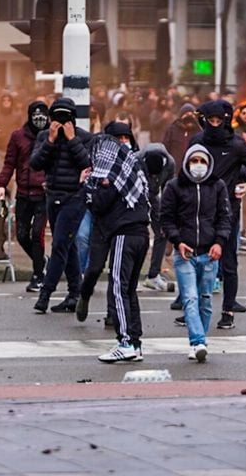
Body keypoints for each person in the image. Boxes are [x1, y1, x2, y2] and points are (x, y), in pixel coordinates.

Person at [74, 122, 150, 363]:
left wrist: (86, 186)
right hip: (140, 234)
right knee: (129, 290)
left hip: (123, 234)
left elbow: (97, 204)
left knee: (118, 288)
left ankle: (126, 341)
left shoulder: (112, 177)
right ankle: (135, 343)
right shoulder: (130, 171)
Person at [188, 99, 246, 330]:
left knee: (229, 261)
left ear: (225, 120)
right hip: (199, 210)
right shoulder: (197, 142)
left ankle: (228, 310)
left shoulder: (236, 144)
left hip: (227, 210)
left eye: (218, 120)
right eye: (210, 120)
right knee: (195, 261)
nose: (214, 124)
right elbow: (184, 170)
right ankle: (192, 309)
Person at [160, 144, 230, 363]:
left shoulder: (218, 186)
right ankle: (198, 342)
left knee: (205, 299)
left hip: (210, 254)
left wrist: (219, 243)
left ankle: (200, 339)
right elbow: (166, 217)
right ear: (187, 162)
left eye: (202, 161)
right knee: (190, 297)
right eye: (194, 161)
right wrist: (177, 241)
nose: (198, 166)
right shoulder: (174, 186)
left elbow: (224, 217)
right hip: (185, 254)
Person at [29, 98, 93, 315]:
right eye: (56, 116)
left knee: (59, 246)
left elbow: (87, 163)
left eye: (65, 116)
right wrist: (50, 140)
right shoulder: (44, 136)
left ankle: (45, 294)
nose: (60, 120)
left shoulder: (84, 137)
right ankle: (75, 293)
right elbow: (35, 164)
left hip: (74, 198)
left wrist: (72, 139)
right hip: (52, 196)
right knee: (68, 245)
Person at [0, 101, 49, 292]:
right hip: (24, 194)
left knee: (37, 234)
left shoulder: (52, 137)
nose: (39, 120)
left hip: (43, 195)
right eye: (36, 116)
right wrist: (2, 185)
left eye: (43, 116)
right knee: (21, 234)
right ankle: (41, 261)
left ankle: (38, 276)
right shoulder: (18, 136)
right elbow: (9, 162)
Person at [140, 140, 176, 292]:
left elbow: (168, 190)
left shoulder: (170, 164)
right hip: (137, 197)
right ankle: (129, 274)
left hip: (154, 197)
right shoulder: (136, 161)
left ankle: (153, 275)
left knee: (162, 232)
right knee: (137, 236)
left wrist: (167, 214)